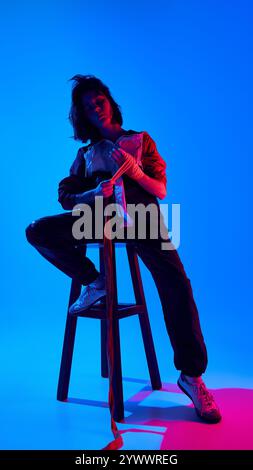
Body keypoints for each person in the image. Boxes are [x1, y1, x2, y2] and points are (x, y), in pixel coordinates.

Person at [25, 74, 221, 424]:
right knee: (38, 231)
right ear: (83, 116)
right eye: (87, 107)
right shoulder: (86, 154)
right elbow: (65, 195)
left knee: (177, 284)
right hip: (98, 222)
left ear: (109, 102)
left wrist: (134, 172)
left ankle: (191, 376)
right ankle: (95, 281)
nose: (94, 108)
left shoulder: (140, 141)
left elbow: (160, 189)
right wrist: (91, 194)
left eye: (98, 100)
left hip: (143, 220)